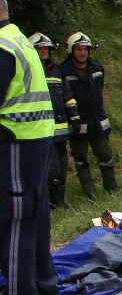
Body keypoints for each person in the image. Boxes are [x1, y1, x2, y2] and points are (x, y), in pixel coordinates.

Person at [0, 0, 61, 295]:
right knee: (34, 218)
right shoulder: (18, 39)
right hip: (36, 140)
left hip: (14, 142)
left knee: (14, 222)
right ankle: (45, 290)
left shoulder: (2, 46)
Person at [61, 31, 118, 197]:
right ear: (71, 50)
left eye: (86, 49)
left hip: (97, 120)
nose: (83, 52)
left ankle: (111, 187)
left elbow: (100, 90)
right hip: (77, 121)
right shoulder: (64, 71)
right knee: (80, 159)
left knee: (106, 155)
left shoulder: (97, 67)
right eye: (79, 49)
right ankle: (89, 191)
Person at [29, 32, 80, 209]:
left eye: (46, 48)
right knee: (49, 167)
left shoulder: (57, 71)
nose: (43, 51)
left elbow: (68, 96)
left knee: (62, 168)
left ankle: (58, 201)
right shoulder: (28, 71)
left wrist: (74, 117)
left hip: (59, 129)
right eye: (39, 48)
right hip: (38, 129)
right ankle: (43, 200)